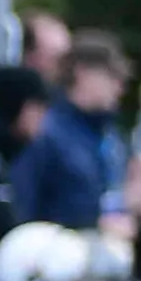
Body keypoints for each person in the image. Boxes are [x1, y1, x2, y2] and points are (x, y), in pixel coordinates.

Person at [12, 30, 133, 231]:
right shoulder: (44, 132)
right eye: (112, 75)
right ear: (82, 72)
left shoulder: (113, 138)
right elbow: (24, 208)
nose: (119, 87)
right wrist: (94, 221)